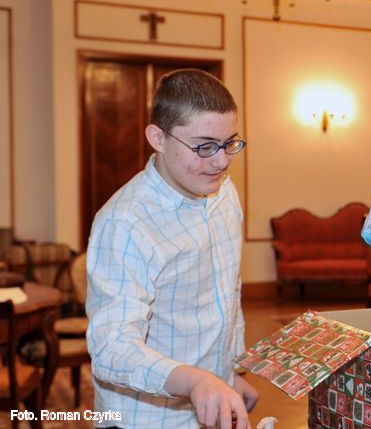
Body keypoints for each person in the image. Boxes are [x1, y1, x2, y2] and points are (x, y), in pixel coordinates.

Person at [86, 69, 259, 428]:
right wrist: (195, 381)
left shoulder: (224, 193)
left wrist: (231, 372)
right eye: (204, 146)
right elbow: (111, 349)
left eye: (230, 143)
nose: (222, 161)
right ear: (158, 139)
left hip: (210, 400)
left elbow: (227, 292)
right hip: (143, 418)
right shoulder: (125, 222)